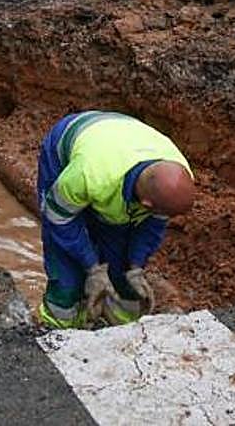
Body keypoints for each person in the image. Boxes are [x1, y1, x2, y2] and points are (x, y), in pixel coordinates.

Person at [36, 111, 195, 329]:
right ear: (146, 204)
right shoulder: (88, 176)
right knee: (66, 271)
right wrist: (92, 268)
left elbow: (152, 227)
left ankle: (117, 322)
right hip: (72, 141)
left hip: (120, 144)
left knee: (121, 265)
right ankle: (57, 325)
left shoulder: (175, 178)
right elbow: (60, 222)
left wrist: (135, 266)